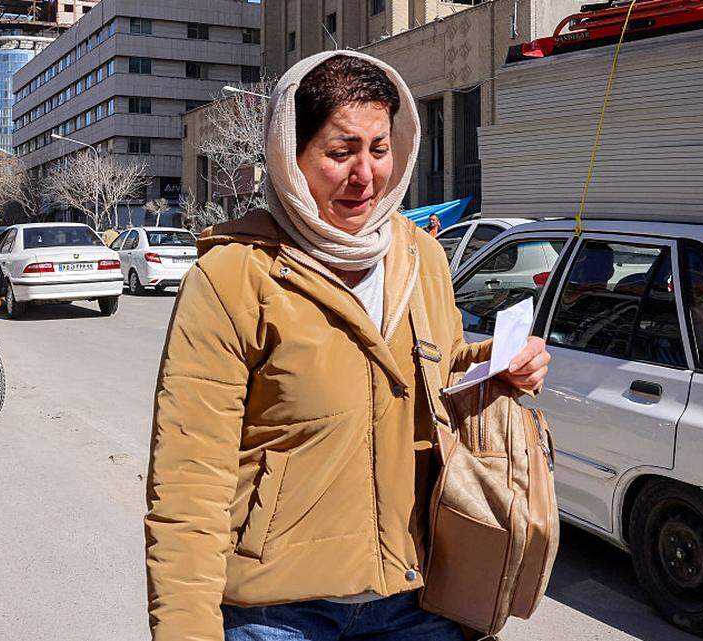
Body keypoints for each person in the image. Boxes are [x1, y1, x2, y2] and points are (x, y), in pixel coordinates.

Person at [145, 51, 550, 641]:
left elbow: (439, 377)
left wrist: (497, 365)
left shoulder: (421, 256)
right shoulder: (232, 277)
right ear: (289, 153)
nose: (366, 175)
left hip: (417, 598)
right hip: (278, 615)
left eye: (379, 149)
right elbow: (189, 483)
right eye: (341, 152)